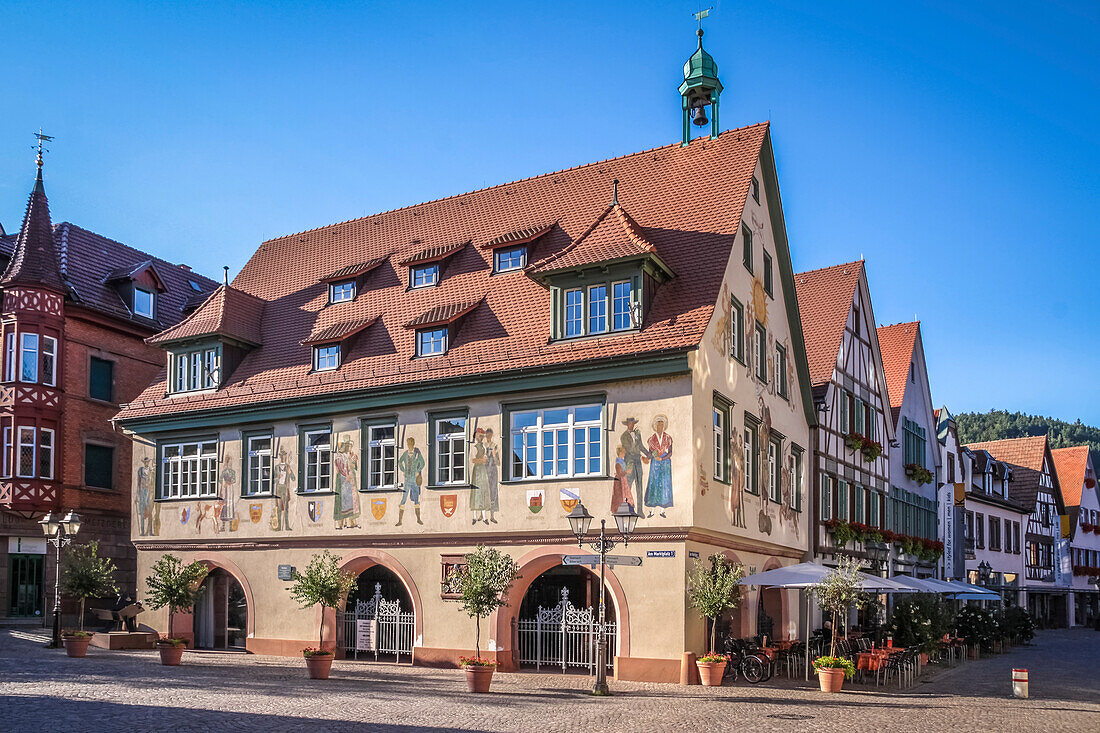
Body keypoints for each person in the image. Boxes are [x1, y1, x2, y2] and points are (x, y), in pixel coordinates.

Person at [643, 414, 674, 517]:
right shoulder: (652, 439)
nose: (660, 427)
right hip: (655, 463)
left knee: (664, 485)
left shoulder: (668, 438)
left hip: (665, 463)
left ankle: (662, 510)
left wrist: (662, 458)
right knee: (654, 484)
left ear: (664, 426)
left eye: (662, 425)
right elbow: (650, 452)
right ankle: (652, 510)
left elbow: (670, 453)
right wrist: (648, 458)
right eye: (658, 425)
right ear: (655, 426)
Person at [396, 437, 425, 526]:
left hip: (415, 480)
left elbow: (422, 463)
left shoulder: (417, 454)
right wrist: (403, 470)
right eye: (408, 444)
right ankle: (400, 521)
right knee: (404, 499)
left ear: (413, 444)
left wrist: (417, 470)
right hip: (407, 480)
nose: (410, 446)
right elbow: (400, 462)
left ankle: (418, 519)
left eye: (411, 444)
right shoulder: (405, 454)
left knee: (416, 498)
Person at [333, 436, 360, 529]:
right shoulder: (339, 457)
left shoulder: (350, 455)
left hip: (350, 479)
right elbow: (340, 468)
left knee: (351, 500)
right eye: (348, 446)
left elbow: (353, 467)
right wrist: (346, 475)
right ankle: (340, 523)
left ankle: (351, 522)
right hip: (342, 480)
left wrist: (353, 462)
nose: (349, 448)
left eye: (350, 446)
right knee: (342, 501)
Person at [619, 417, 646, 506]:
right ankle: (626, 505)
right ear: (627, 425)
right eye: (630, 423)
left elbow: (641, 446)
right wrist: (641, 456)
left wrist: (649, 454)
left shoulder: (637, 434)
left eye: (633, 423)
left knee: (639, 485)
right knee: (628, 483)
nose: (631, 425)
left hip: (637, 461)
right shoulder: (624, 436)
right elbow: (629, 450)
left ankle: (640, 509)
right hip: (629, 462)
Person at [469, 429, 491, 525]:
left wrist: (484, 460)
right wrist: (481, 460)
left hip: (482, 470)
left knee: (483, 491)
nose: (481, 438)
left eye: (482, 436)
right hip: (477, 470)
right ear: (476, 436)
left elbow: (485, 458)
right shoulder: (474, 447)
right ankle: (474, 516)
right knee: (476, 493)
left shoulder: (484, 447)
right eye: (479, 436)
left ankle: (484, 517)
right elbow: (473, 460)